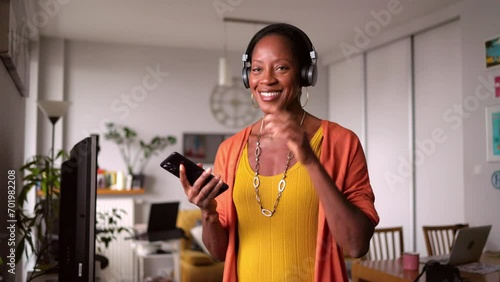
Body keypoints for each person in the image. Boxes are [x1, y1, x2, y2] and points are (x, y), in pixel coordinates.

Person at [179, 23, 379, 282]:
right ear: (247, 77)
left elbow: (356, 245)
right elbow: (219, 253)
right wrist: (208, 211)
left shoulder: (342, 142)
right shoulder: (229, 151)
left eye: (281, 67)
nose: (266, 79)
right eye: (257, 69)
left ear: (305, 74)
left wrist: (309, 159)